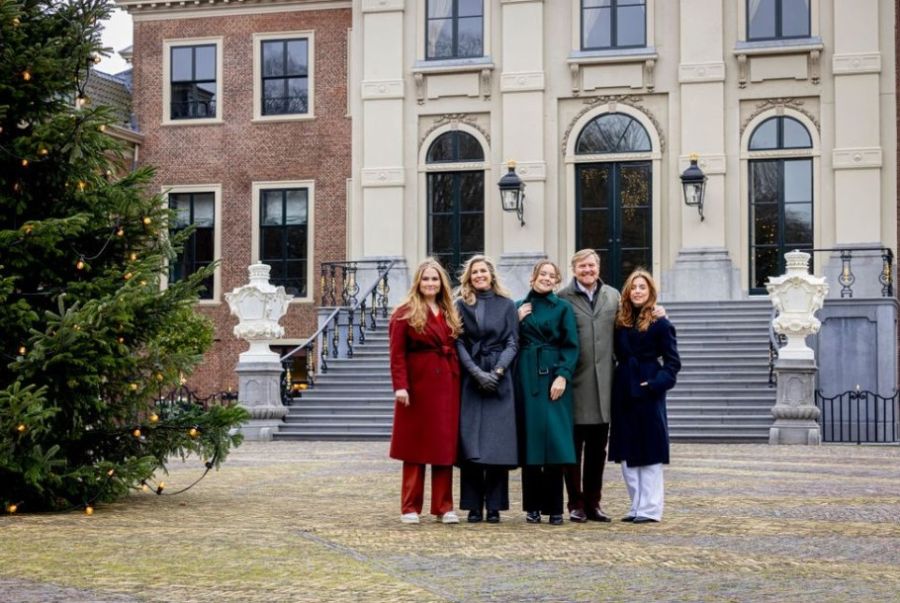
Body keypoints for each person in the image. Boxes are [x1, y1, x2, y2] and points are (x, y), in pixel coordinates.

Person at [388, 258, 463, 525]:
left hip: (447, 385)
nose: (430, 283)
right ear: (417, 282)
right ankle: (410, 507)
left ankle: (444, 506)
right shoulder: (404, 312)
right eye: (426, 279)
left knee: (443, 448)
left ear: (441, 283)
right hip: (417, 387)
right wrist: (401, 386)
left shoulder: (449, 311)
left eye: (435, 279)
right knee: (415, 448)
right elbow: (396, 355)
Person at [608, 269, 681, 524]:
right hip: (623, 388)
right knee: (628, 449)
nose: (638, 291)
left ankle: (650, 508)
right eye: (634, 287)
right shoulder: (620, 322)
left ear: (650, 293)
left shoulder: (661, 323)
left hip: (649, 388)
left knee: (649, 448)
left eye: (643, 287)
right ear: (627, 291)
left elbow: (673, 364)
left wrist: (654, 384)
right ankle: (635, 505)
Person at [454, 255, 519, 524]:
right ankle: (472, 505)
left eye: (483, 271)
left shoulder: (507, 305)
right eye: (475, 272)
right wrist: (477, 373)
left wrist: (498, 372)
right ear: (468, 277)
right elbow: (457, 342)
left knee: (497, 445)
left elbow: (513, 342)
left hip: (500, 379)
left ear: (491, 275)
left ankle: (494, 506)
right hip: (472, 378)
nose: (479, 275)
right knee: (472, 443)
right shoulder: (459, 305)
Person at [556, 249, 619, 523]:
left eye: (591, 266)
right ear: (574, 269)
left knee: (598, 451)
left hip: (604, 384)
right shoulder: (562, 298)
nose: (588, 270)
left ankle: (594, 503)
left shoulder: (613, 296)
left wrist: (658, 312)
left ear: (598, 267)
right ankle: (575, 503)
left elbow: (631, 320)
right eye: (582, 266)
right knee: (572, 449)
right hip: (574, 384)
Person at [516, 260, 579, 525]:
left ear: (557, 280)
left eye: (552, 275)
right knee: (531, 442)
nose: (547, 278)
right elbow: (507, 341)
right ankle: (532, 506)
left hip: (553, 375)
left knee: (555, 442)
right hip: (528, 374)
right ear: (533, 277)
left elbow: (571, 345)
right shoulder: (520, 306)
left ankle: (554, 506)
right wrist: (516, 322)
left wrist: (563, 375)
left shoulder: (563, 308)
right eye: (543, 274)